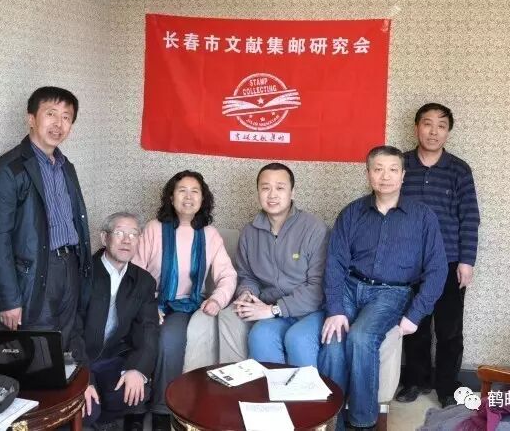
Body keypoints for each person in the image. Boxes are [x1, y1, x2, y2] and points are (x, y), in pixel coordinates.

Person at [318, 145, 448, 431]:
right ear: (368, 174)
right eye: (378, 169)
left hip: (392, 292)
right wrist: (335, 308)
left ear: (403, 175)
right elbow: (335, 262)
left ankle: (363, 422)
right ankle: (330, 421)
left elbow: (438, 269)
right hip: (351, 286)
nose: (385, 176)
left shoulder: (422, 216)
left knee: (361, 336)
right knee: (333, 341)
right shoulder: (352, 212)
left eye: (392, 170)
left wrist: (415, 314)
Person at [0, 86, 91, 360]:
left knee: (67, 347)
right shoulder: (7, 170)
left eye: (66, 117)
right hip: (32, 274)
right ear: (31, 118)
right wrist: (9, 299)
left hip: (69, 267)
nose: (59, 123)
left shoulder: (65, 166)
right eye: (51, 114)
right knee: (35, 355)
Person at [134, 170, 237, 431]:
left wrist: (217, 299)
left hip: (184, 305)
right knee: (135, 335)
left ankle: (161, 411)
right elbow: (136, 271)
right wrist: (147, 306)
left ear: (203, 199)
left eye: (195, 192)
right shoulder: (154, 229)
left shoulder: (209, 234)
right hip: (149, 302)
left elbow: (227, 275)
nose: (188, 197)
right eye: (182, 190)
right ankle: (132, 409)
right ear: (171, 197)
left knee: (168, 339)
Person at [396, 103, 481, 408]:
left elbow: (469, 217)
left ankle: (448, 385)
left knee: (449, 329)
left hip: (448, 261)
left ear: (448, 132)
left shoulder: (459, 169)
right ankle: (415, 380)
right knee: (414, 324)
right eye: (427, 124)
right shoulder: (400, 164)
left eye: (441, 125)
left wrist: (466, 261)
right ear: (416, 127)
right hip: (409, 262)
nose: (433, 131)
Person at [219, 162, 329, 367]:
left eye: (280, 188)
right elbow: (247, 276)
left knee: (298, 339)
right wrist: (246, 293)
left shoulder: (314, 228)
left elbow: (318, 287)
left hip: (311, 311)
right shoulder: (249, 232)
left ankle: (307, 390)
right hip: (272, 309)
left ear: (292, 192)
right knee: (259, 335)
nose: (272, 195)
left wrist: (274, 310)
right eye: (265, 188)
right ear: (258, 193)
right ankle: (270, 389)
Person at [79, 212, 158, 431]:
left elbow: (148, 329)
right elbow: (69, 328)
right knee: (86, 411)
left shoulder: (144, 281)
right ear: (104, 238)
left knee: (136, 391)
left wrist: (137, 369)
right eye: (120, 233)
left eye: (133, 234)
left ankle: (103, 420)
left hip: (111, 356)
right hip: (79, 357)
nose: (127, 240)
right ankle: (94, 419)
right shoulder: (81, 273)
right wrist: (83, 378)